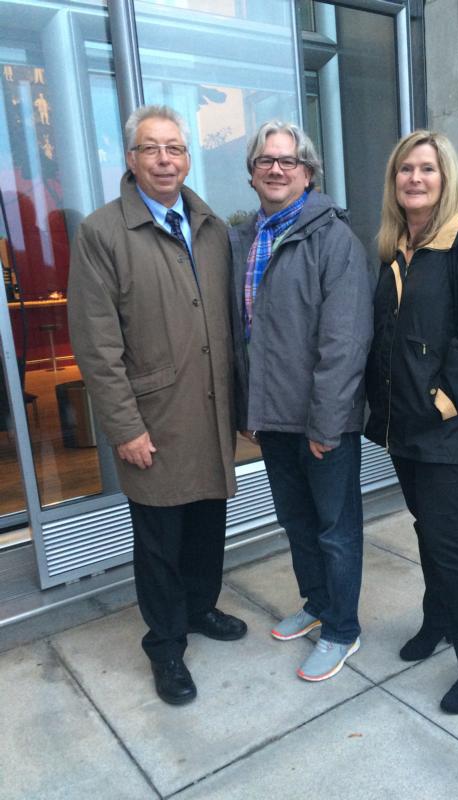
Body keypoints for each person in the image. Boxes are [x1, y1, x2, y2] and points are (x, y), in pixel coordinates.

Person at [68, 104, 247, 706]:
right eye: (151, 149)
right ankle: (166, 647)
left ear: (187, 157)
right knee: (160, 544)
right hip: (153, 422)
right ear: (130, 159)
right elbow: (96, 345)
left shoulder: (213, 228)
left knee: (207, 527)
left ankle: (200, 611)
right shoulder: (101, 234)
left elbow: (228, 323)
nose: (165, 159)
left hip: (212, 413)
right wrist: (124, 427)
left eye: (174, 148)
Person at [365, 130, 458, 714]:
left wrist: (443, 401)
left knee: (449, 543)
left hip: (445, 426)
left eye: (427, 169)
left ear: (445, 178)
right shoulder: (394, 249)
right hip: (403, 429)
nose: (415, 179)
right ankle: (439, 621)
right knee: (427, 531)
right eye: (405, 170)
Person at [229, 120, 373, 682]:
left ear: (308, 173)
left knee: (336, 528)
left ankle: (342, 629)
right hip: (273, 418)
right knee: (296, 521)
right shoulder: (245, 240)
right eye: (266, 160)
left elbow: (345, 342)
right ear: (252, 173)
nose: (276, 169)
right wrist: (250, 411)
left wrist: (328, 422)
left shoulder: (334, 240)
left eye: (288, 161)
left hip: (321, 422)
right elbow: (247, 336)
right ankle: (317, 604)